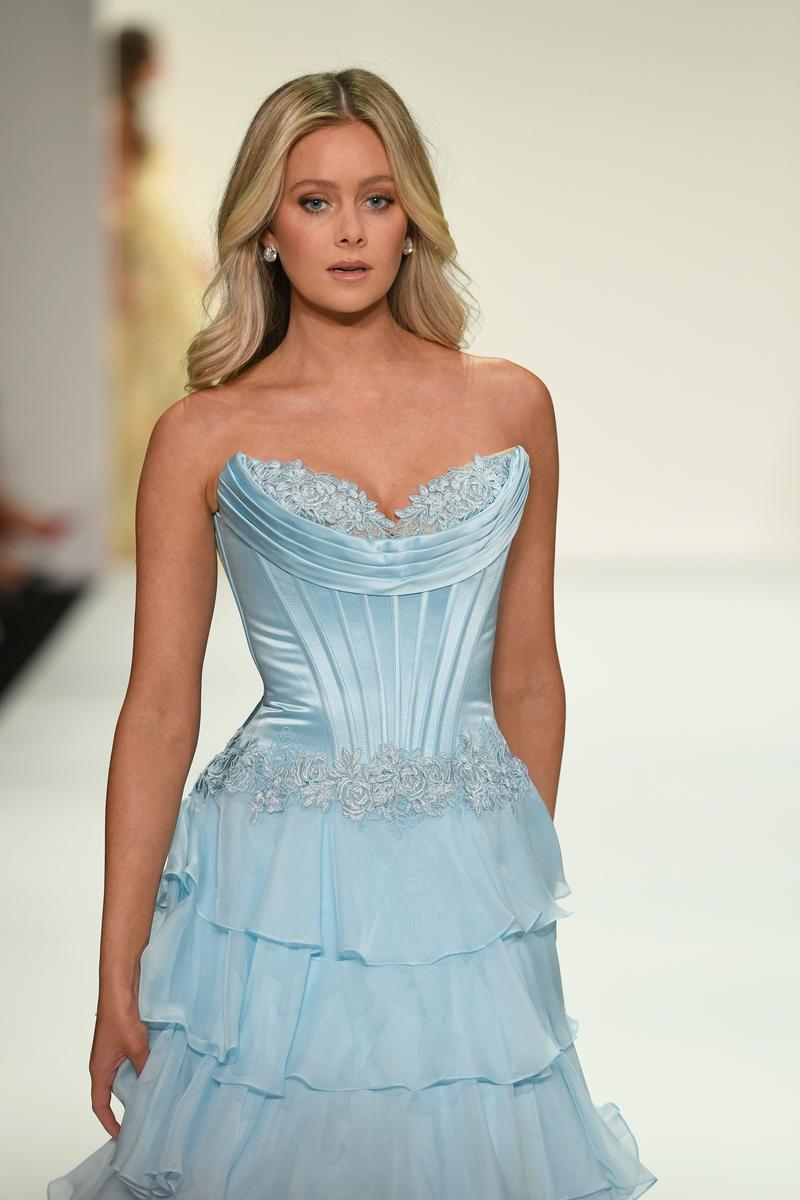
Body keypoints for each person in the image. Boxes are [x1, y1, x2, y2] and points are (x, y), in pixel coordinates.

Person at [49, 67, 657, 1198]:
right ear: (265, 229)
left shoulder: (511, 406)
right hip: (274, 883)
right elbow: (160, 709)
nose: (349, 231)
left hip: (466, 863)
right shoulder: (202, 435)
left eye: (377, 199)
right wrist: (115, 971)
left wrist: (508, 894)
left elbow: (528, 677)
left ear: (411, 219)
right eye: (314, 201)